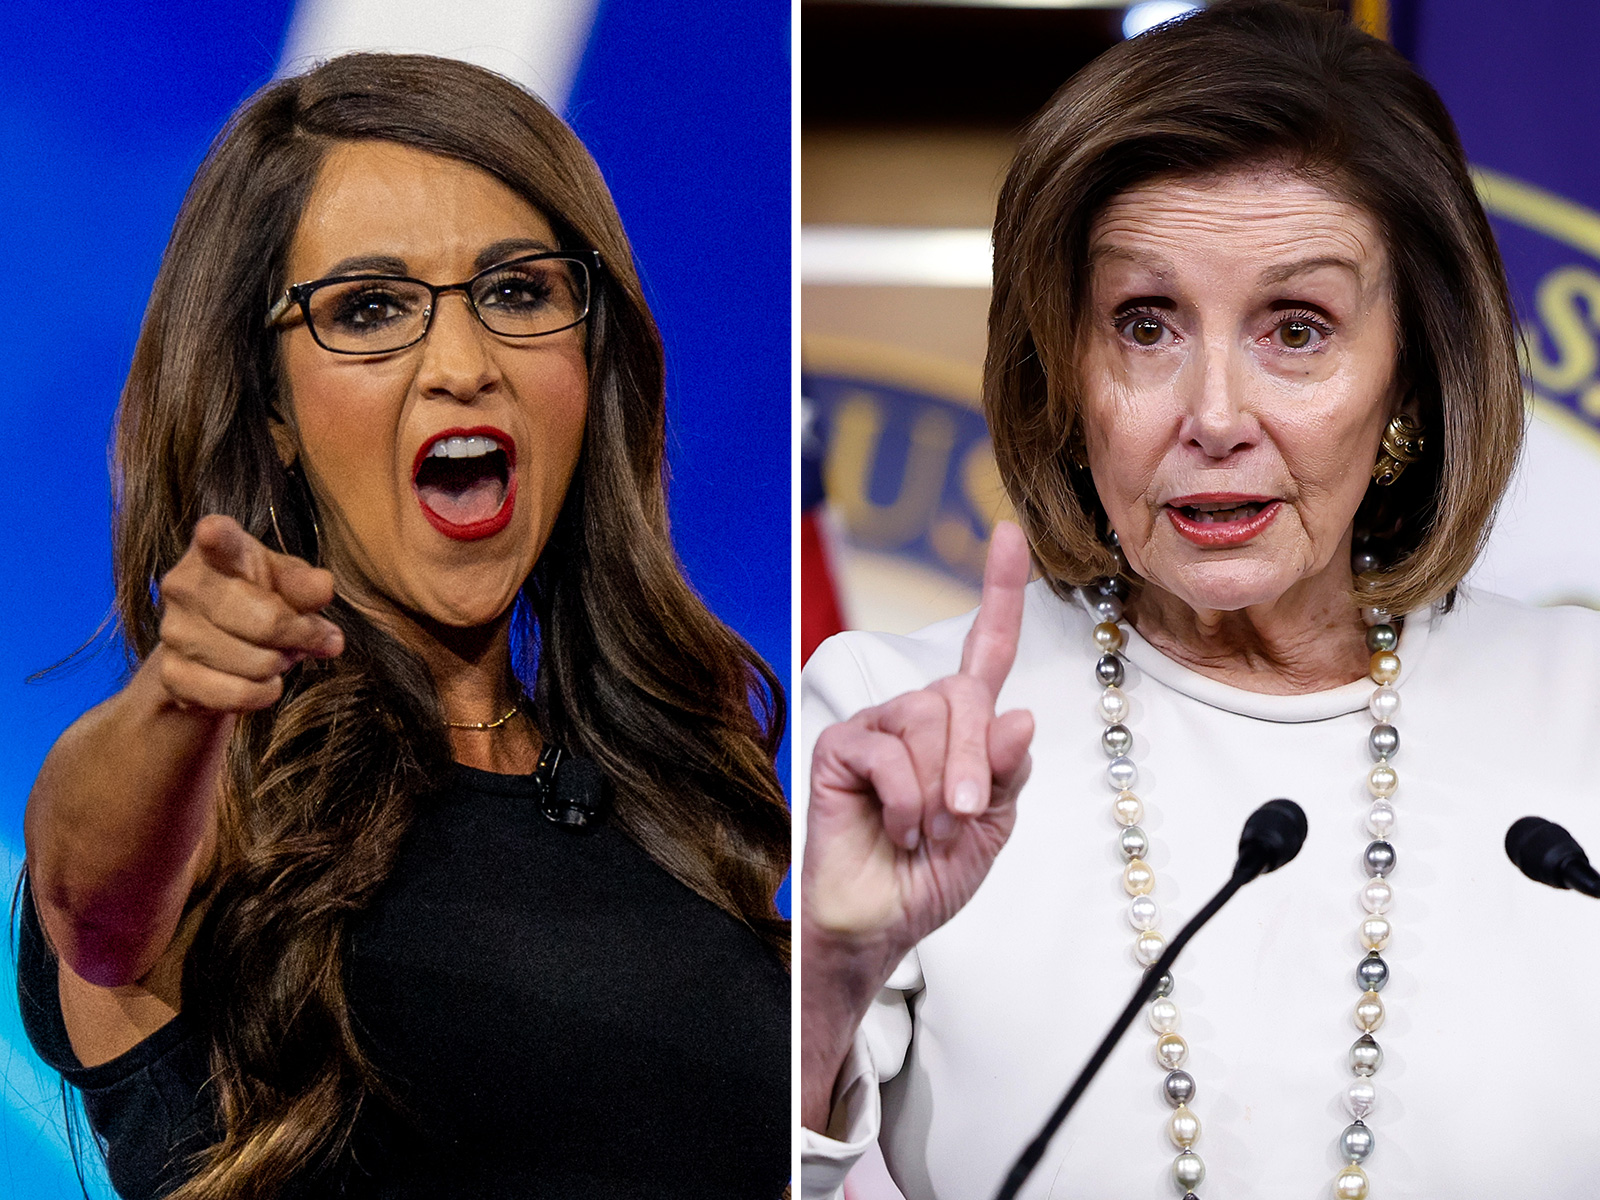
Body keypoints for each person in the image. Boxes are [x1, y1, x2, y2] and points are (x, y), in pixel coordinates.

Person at [800, 4, 1600, 1197]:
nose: (1213, 415)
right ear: (1065, 372)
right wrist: (830, 976)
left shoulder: (1579, 711)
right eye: (1145, 324)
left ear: (1410, 381)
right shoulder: (893, 723)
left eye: (1295, 328)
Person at [19, 53, 789, 1200]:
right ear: (270, 406)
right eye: (369, 310)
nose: (464, 365)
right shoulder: (216, 799)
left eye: (520, 291)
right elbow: (92, 905)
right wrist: (180, 696)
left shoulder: (677, 779)